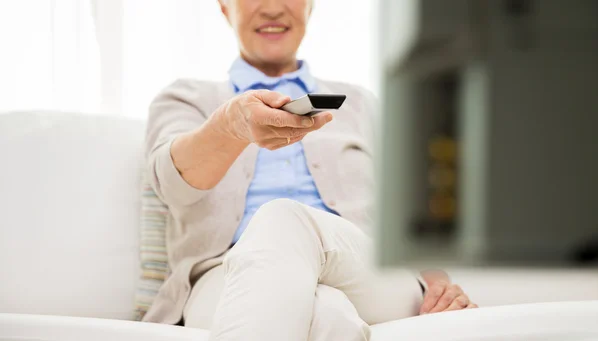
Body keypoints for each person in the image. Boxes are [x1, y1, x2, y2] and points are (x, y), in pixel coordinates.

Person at [143, 0, 477, 340]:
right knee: (329, 314)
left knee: (283, 219)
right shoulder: (185, 97)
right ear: (224, 7)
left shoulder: (361, 103)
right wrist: (230, 126)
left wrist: (441, 286)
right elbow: (172, 185)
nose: (273, 8)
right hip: (223, 276)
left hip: (365, 269)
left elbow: (413, 211)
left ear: (311, 6)